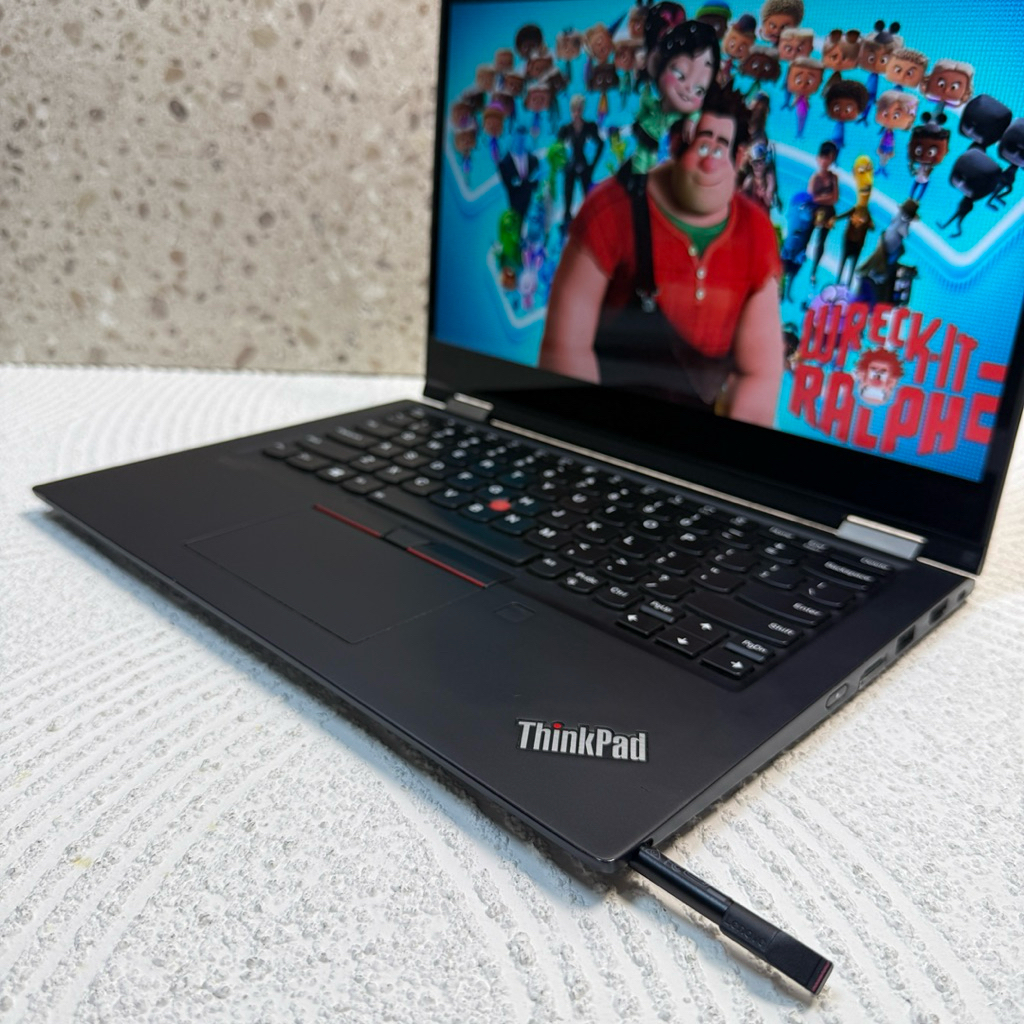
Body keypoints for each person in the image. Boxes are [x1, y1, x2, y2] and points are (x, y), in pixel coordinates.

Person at [539, 84, 783, 426]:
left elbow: (759, 372)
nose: (708, 161)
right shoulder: (612, 209)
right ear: (675, 143)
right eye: (700, 144)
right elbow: (566, 349)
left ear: (739, 156)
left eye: (720, 147)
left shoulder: (755, 230)